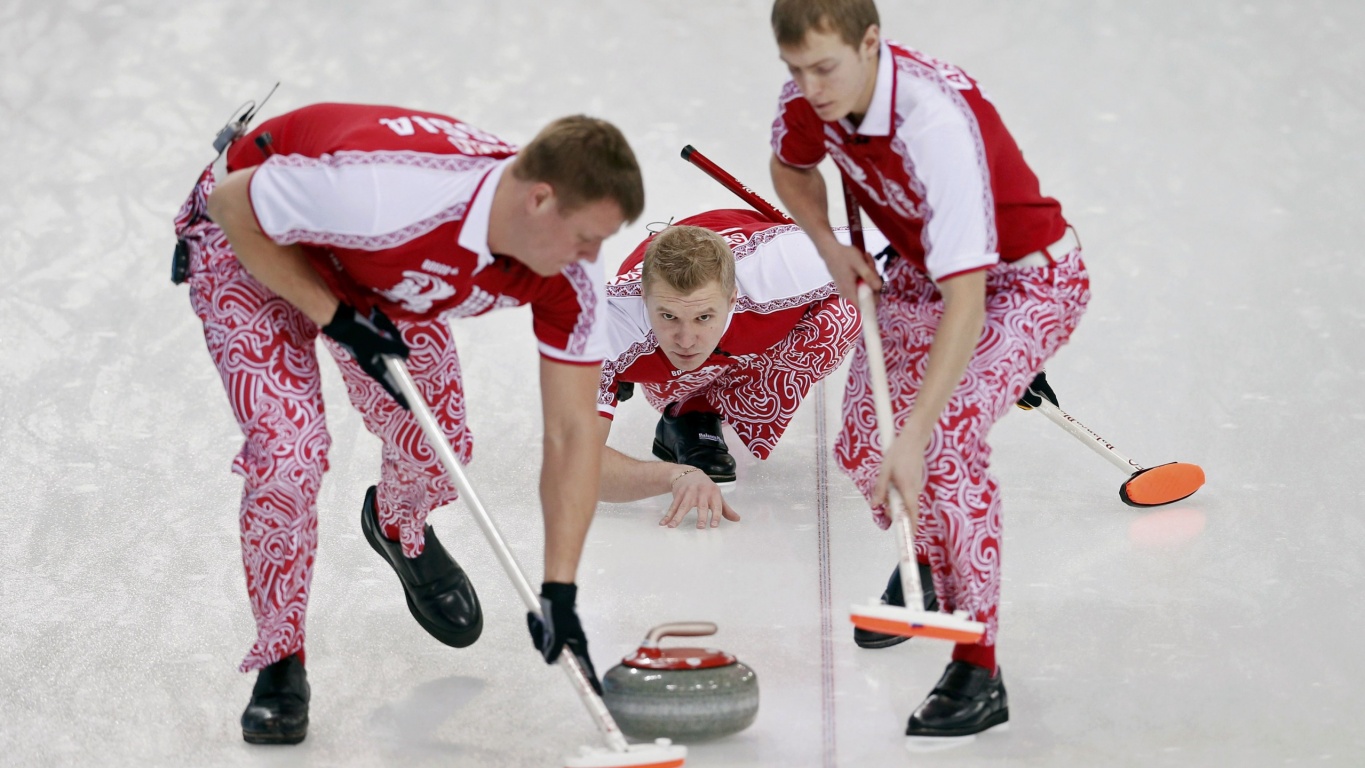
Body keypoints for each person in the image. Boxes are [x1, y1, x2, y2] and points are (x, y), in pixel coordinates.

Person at [172, 102, 643, 744]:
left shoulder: (570, 278)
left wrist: (560, 589)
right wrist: (334, 316)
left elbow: (572, 434)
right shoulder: (389, 192)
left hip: (379, 270)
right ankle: (281, 663)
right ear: (539, 200)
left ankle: (397, 524)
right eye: (587, 236)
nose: (592, 256)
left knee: (436, 445)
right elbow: (234, 203)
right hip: (249, 238)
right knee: (290, 454)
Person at [768, 0, 1091, 739]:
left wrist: (917, 434)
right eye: (796, 69)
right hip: (921, 269)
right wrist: (827, 242)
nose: (810, 88)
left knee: (938, 446)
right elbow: (789, 168)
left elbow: (969, 302)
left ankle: (979, 669)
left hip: (1025, 280)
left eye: (825, 68)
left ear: (871, 44)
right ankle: (932, 561)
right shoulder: (808, 91)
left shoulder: (934, 124)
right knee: (861, 441)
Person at [595, 209, 879, 528]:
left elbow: (924, 255)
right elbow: (573, 466)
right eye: (669, 316)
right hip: (653, 360)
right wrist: (676, 475)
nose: (686, 340)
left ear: (732, 299)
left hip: (766, 282)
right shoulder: (602, 330)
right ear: (644, 297)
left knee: (847, 312)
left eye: (703, 316)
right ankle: (685, 405)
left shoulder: (785, 269)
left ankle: (704, 408)